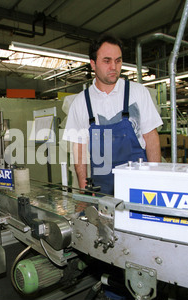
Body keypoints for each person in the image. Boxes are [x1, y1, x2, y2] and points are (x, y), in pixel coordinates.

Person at [63, 34, 163, 195]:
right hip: (101, 187)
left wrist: (155, 180)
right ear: (93, 64)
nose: (114, 67)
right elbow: (79, 149)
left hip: (139, 184)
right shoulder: (81, 103)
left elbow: (151, 138)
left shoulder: (138, 93)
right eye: (107, 61)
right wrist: (84, 189)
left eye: (118, 61)